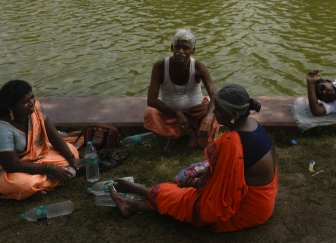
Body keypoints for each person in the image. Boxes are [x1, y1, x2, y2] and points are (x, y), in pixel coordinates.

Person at [107, 84, 278, 232]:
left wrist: (197, 183)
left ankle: (140, 191)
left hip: (247, 211)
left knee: (187, 201)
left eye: (218, 109)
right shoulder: (253, 125)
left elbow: (218, 196)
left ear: (233, 114)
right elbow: (232, 173)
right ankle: (134, 204)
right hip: (263, 202)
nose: (214, 113)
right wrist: (204, 172)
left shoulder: (232, 141)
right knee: (182, 193)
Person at [0, 80, 83, 200]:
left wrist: (71, 158)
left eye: (32, 97)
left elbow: (52, 134)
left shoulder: (36, 108)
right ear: (10, 106)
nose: (31, 103)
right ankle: (58, 176)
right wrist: (50, 168)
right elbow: (12, 165)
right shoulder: (0, 130)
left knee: (71, 150)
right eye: (25, 101)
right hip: (5, 171)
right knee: (24, 183)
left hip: (36, 158)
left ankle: (47, 182)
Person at [144, 29, 220, 151]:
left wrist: (208, 118)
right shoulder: (160, 66)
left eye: (185, 48)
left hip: (196, 113)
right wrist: (176, 113)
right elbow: (151, 100)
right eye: (177, 47)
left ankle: (181, 135)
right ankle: (187, 134)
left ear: (193, 51)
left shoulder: (198, 67)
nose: (180, 51)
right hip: (170, 115)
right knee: (150, 114)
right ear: (171, 47)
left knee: (215, 113)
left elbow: (215, 94)